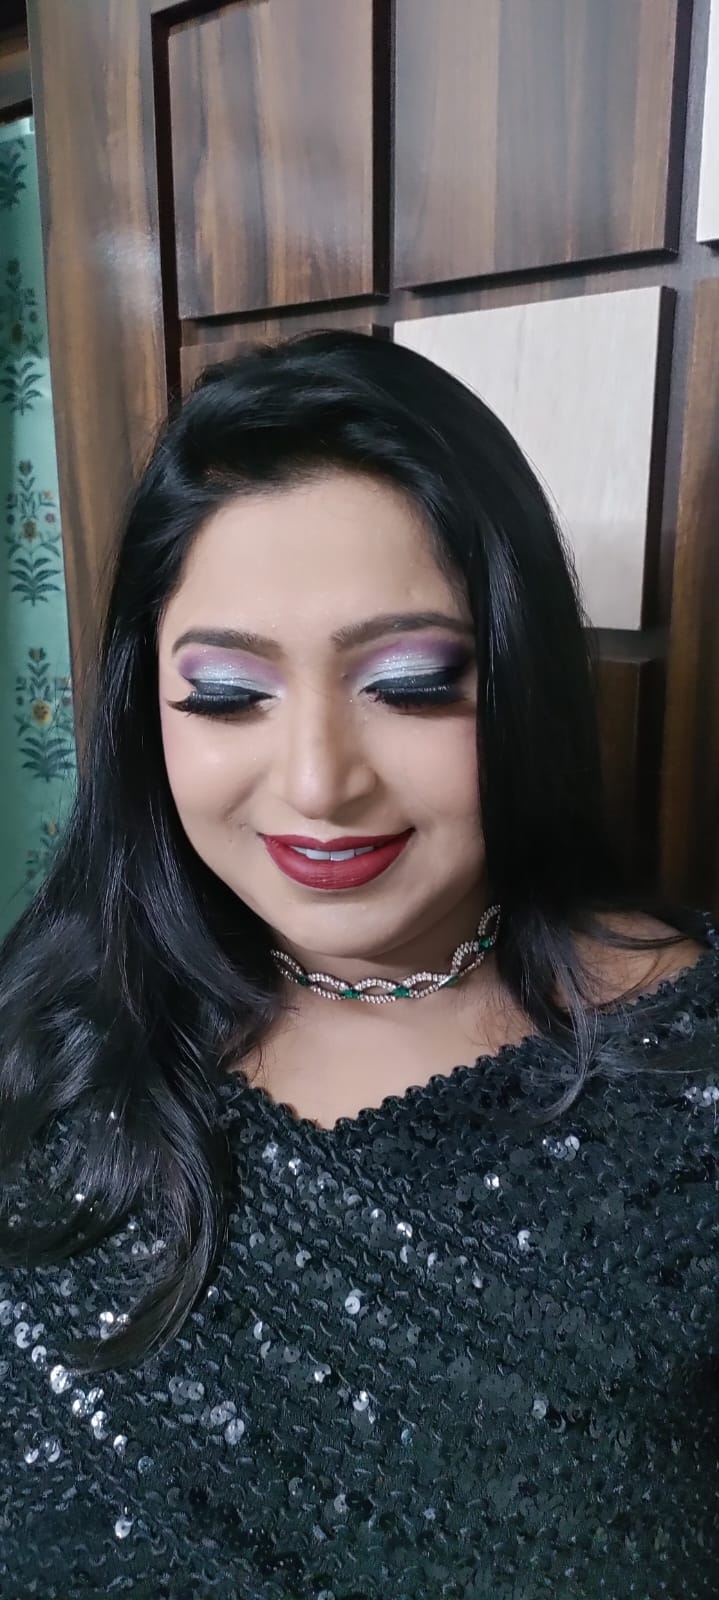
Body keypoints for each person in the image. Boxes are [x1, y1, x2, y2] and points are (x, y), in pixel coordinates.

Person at [0, 329, 717, 1599]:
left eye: (408, 683)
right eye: (227, 694)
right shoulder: (47, 1032)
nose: (319, 782)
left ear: (521, 679)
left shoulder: (688, 1072)